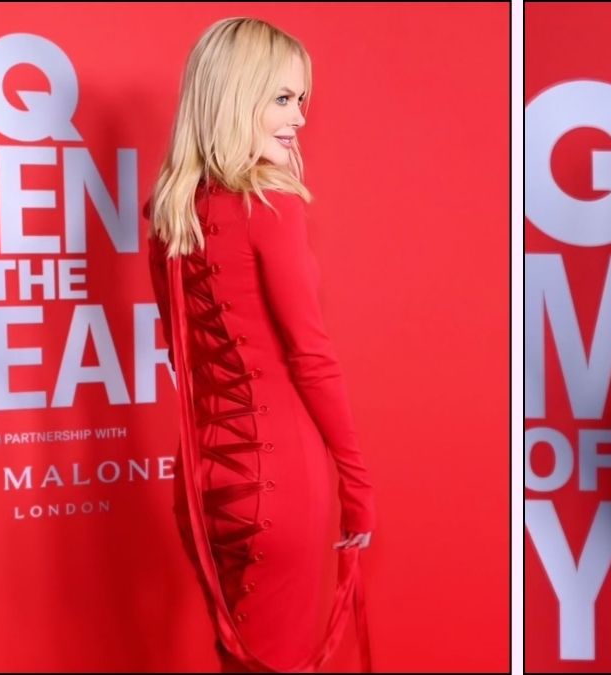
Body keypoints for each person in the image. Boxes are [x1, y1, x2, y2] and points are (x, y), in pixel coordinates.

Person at [143, 17, 375, 673]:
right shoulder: (270, 203)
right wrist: (357, 483)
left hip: (203, 486)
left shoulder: (168, 211)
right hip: (282, 485)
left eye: (301, 99)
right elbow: (311, 355)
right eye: (281, 97)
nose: (299, 116)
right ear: (233, 96)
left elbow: (180, 356)